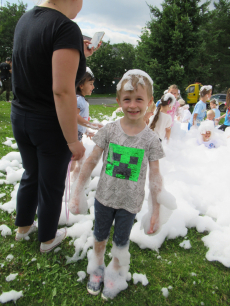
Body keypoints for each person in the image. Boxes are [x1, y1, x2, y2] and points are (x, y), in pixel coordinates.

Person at [68, 69, 165, 300]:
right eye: (127, 99)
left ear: (150, 103)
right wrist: (77, 192)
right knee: (100, 236)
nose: (133, 105)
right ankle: (97, 267)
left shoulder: (151, 139)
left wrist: (156, 210)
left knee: (121, 241)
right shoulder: (109, 130)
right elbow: (91, 161)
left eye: (139, 99)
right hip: (104, 198)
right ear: (118, 101)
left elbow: (155, 177)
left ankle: (115, 272)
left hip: (129, 203)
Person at [11, 0, 99, 253]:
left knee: (31, 174)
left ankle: (23, 227)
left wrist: (79, 51)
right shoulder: (66, 27)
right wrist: (73, 140)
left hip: (21, 115)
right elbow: (62, 90)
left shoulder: (27, 19)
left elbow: (37, 63)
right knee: (51, 184)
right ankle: (48, 239)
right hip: (49, 122)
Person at [70, 67, 103, 182]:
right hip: (74, 135)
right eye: (91, 84)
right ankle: (67, 181)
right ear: (81, 85)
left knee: (77, 162)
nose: (93, 87)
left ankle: (75, 182)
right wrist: (90, 125)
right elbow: (74, 117)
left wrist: (87, 131)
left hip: (78, 134)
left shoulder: (82, 100)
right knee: (72, 164)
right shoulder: (78, 100)